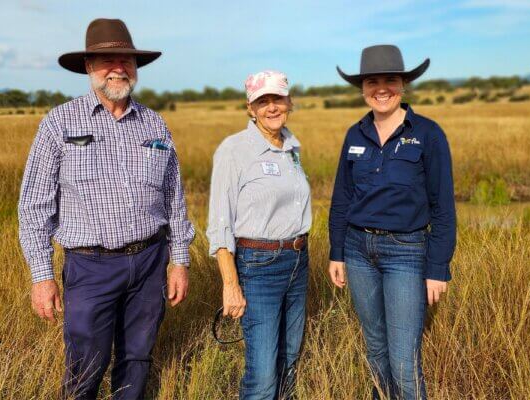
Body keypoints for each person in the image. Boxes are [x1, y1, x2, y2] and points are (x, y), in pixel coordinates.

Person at [18, 18, 194, 400]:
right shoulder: (59, 123)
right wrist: (41, 276)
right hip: (89, 267)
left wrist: (179, 260)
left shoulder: (155, 125)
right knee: (85, 363)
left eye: (126, 60)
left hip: (149, 261)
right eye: (106, 60)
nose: (118, 68)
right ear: (88, 67)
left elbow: (174, 198)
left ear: (135, 67)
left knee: (137, 357)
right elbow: (34, 207)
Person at [328, 45, 456, 400]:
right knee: (376, 349)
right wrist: (336, 252)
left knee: (403, 359)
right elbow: (342, 199)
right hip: (356, 252)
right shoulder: (355, 135)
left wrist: (438, 266)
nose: (381, 88)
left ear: (403, 85)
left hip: (406, 252)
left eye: (390, 80)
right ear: (362, 88)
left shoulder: (428, 134)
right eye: (372, 81)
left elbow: (442, 206)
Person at [206, 70, 312, 400]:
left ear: (289, 102)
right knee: (263, 372)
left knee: (289, 360)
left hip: (297, 261)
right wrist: (230, 285)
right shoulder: (234, 150)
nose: (271, 107)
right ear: (250, 108)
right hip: (258, 266)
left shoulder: (292, 148)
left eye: (277, 98)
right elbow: (219, 224)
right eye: (262, 101)